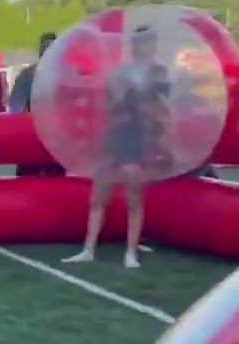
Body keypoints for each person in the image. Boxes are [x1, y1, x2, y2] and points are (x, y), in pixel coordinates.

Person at [63, 26, 169, 269]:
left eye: (148, 43)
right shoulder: (121, 73)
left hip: (137, 139)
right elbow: (107, 105)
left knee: (134, 197)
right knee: (98, 196)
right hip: (115, 138)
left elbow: (162, 109)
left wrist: (158, 138)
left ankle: (130, 252)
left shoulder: (158, 73)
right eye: (140, 43)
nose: (144, 48)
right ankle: (89, 248)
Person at [12, 33, 66, 178]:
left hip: (54, 138)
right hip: (32, 134)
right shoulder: (27, 76)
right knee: (28, 180)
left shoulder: (64, 76)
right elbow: (16, 109)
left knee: (55, 182)